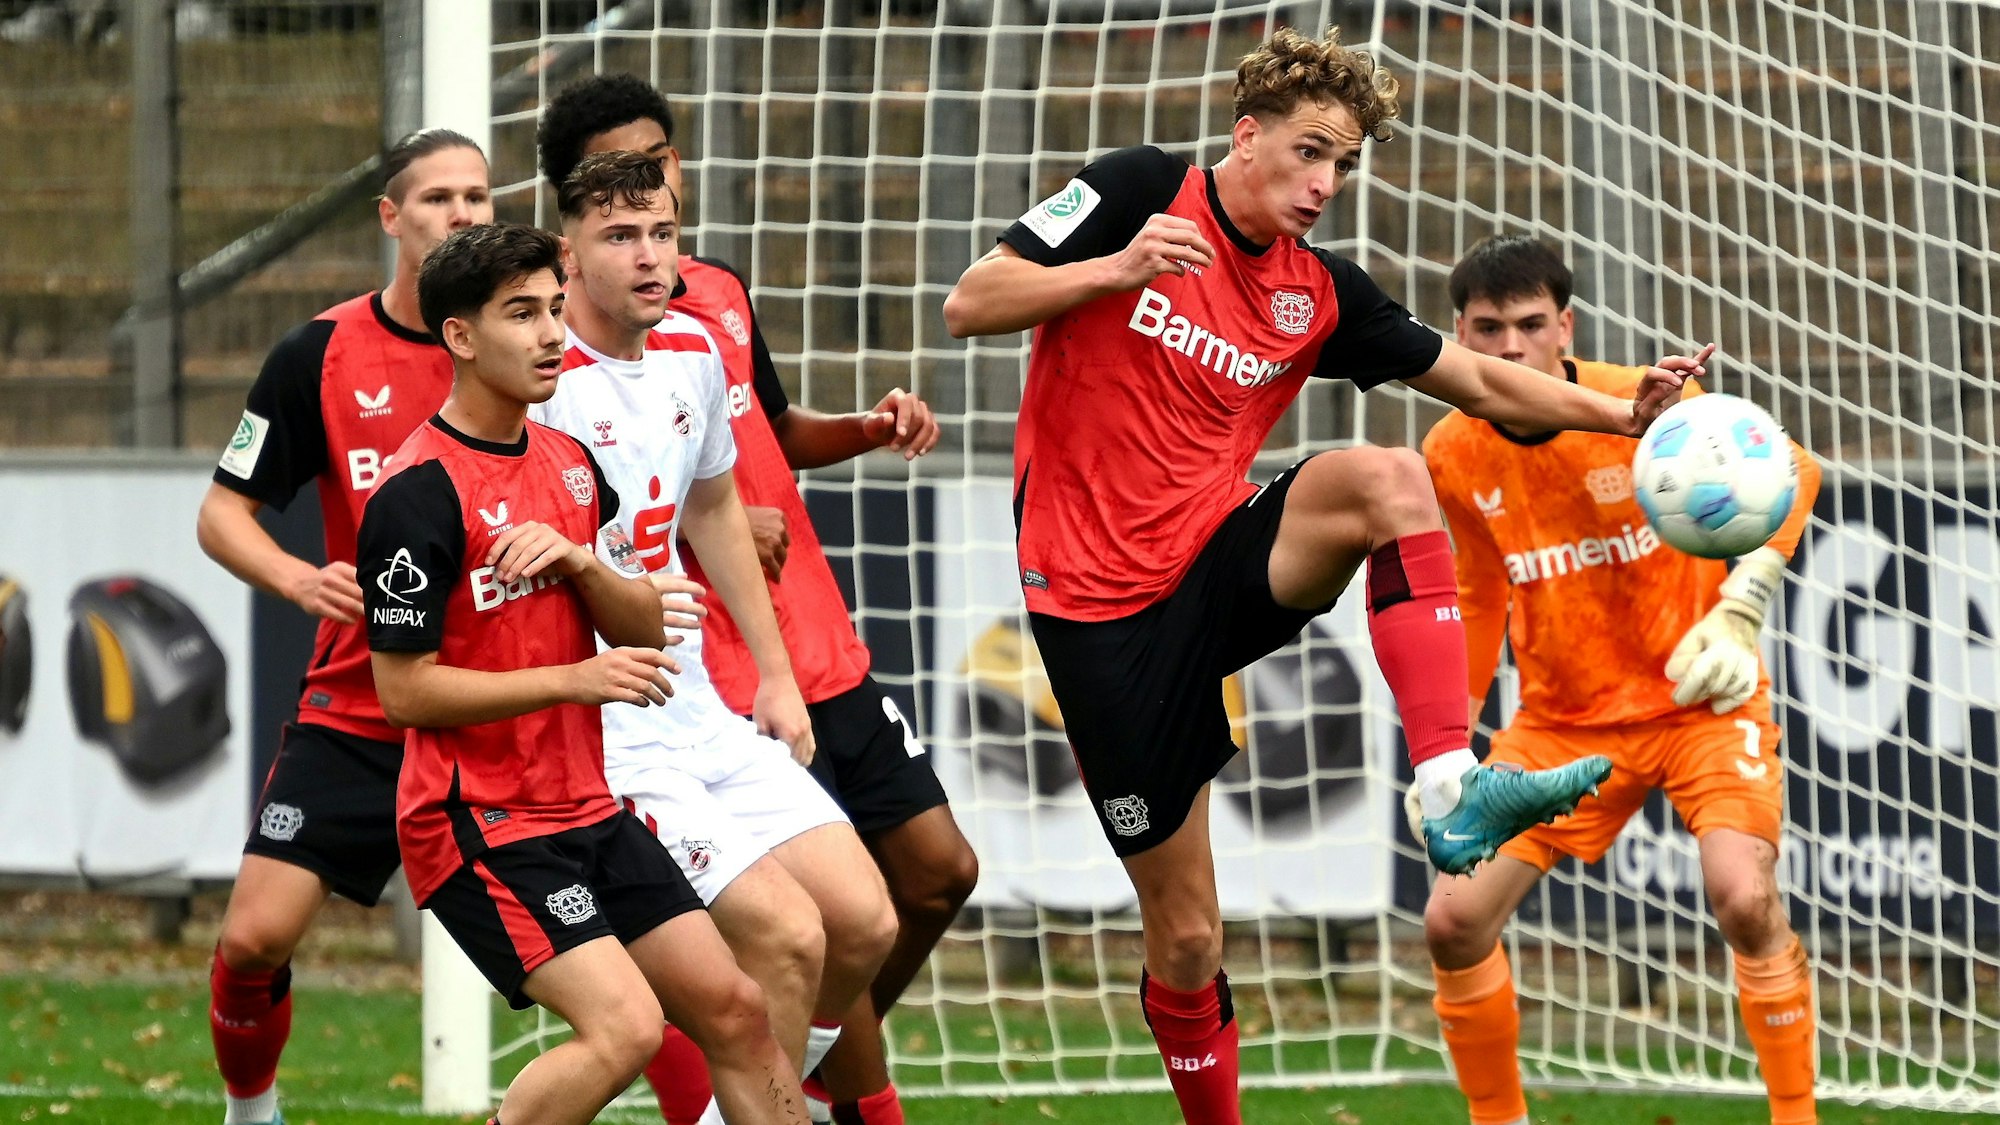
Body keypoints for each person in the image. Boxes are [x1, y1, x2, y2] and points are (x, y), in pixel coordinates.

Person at [942, 27, 1710, 1125]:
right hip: (1096, 613)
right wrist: (1114, 268)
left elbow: (1484, 384)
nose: (1323, 184)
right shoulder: (1134, 189)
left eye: (1342, 164)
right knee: (1189, 936)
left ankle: (1447, 784)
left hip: (1217, 563)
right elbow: (971, 299)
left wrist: (1619, 418)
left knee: (1390, 479)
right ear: (1245, 136)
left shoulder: (1316, 291)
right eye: (1308, 153)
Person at [537, 74, 978, 1125]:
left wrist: (775, 678)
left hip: (711, 707)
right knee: (786, 938)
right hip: (612, 728)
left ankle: (749, 1105)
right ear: (568, 253)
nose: (649, 256)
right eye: (620, 236)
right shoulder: (544, 382)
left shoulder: (695, 347)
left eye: (663, 232)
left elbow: (718, 506)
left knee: (866, 921)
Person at [357, 221, 807, 1125]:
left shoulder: (569, 464)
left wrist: (580, 560)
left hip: (589, 806)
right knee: (626, 1027)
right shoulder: (416, 494)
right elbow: (405, 692)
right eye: (521, 314)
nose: (553, 334)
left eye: (556, 309)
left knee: (738, 1008)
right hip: (476, 818)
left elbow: (641, 620)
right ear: (459, 335)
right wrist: (572, 681)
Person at [1419, 235, 1822, 1125]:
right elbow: (1479, 592)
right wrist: (1448, 743)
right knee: (1451, 921)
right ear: (1461, 333)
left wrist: (1745, 598)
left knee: (1744, 897)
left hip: (1699, 705)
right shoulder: (1450, 447)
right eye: (1488, 329)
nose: (1510, 347)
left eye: (1531, 325)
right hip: (1561, 723)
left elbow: (1798, 469)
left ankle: (1798, 1117)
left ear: (1565, 327)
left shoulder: (1648, 405)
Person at [195, 127, 491, 1125]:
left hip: (495, 710)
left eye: (476, 198)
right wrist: (294, 577)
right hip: (359, 708)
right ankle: (251, 1112)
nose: (459, 215)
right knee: (250, 942)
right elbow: (221, 512)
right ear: (390, 219)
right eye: (436, 199)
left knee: (622, 959)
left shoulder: (531, 345)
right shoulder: (319, 354)